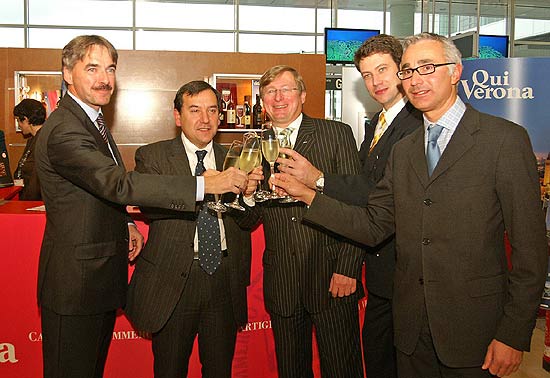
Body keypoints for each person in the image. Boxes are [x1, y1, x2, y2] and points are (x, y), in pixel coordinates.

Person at [272, 33, 548, 378]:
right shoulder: (404, 151)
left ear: (456, 71)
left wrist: (513, 332)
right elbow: (375, 225)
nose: (416, 79)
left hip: (474, 330)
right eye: (408, 71)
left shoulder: (503, 140)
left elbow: (531, 248)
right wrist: (309, 196)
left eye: (427, 67)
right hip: (410, 330)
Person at [35, 35, 247, 378]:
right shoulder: (65, 129)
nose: (104, 78)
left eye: (110, 68)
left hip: (95, 280)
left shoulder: (91, 121)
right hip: (75, 285)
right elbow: (118, 184)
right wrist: (204, 184)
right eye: (92, 68)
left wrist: (125, 225)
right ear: (68, 73)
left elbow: (94, 190)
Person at [277, 34, 422, 378]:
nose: (376, 82)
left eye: (383, 70)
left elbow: (376, 194)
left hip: (402, 274)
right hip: (375, 276)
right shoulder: (378, 124)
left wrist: (317, 181)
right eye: (368, 75)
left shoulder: (416, 125)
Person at [125, 80, 257, 378]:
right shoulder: (153, 156)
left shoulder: (235, 158)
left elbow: (248, 222)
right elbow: (151, 207)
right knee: (170, 370)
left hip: (223, 278)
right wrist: (204, 186)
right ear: (177, 116)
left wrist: (247, 194)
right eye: (195, 110)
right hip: (173, 282)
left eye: (212, 110)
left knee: (219, 370)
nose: (205, 119)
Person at [247, 65, 364, 377]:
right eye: (270, 92)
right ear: (263, 101)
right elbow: (250, 218)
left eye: (286, 89)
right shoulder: (255, 145)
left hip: (331, 276)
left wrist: (348, 267)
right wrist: (246, 195)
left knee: (341, 367)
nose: (278, 97)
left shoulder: (335, 134)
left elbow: (357, 205)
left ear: (302, 95)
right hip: (283, 279)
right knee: (291, 369)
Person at [13, 98, 46, 200]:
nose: (19, 125)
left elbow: (36, 179)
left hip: (35, 201)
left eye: (19, 120)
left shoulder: (43, 140)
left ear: (26, 119)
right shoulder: (33, 140)